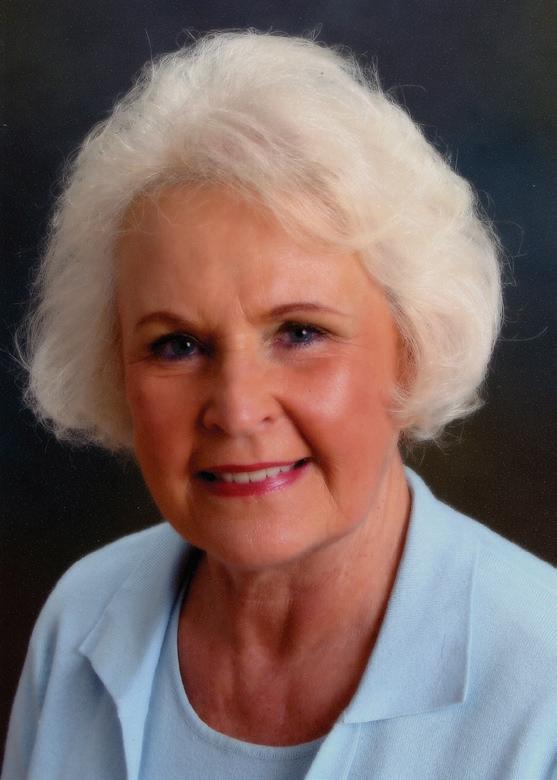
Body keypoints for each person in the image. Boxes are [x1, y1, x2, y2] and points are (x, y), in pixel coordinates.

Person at [3, 29, 556, 780]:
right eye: (176, 345)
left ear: (412, 347)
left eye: (300, 333)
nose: (236, 410)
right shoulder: (80, 617)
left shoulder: (542, 679)